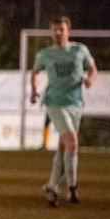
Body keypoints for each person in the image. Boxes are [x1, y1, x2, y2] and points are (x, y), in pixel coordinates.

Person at [31, 16, 97, 207]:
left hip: (76, 104)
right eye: (55, 29)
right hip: (54, 103)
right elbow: (35, 71)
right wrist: (34, 90)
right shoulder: (45, 54)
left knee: (64, 147)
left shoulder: (79, 50)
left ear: (68, 31)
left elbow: (92, 68)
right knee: (72, 142)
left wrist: (90, 79)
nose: (58, 32)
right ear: (51, 32)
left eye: (61, 29)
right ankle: (72, 187)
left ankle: (52, 186)